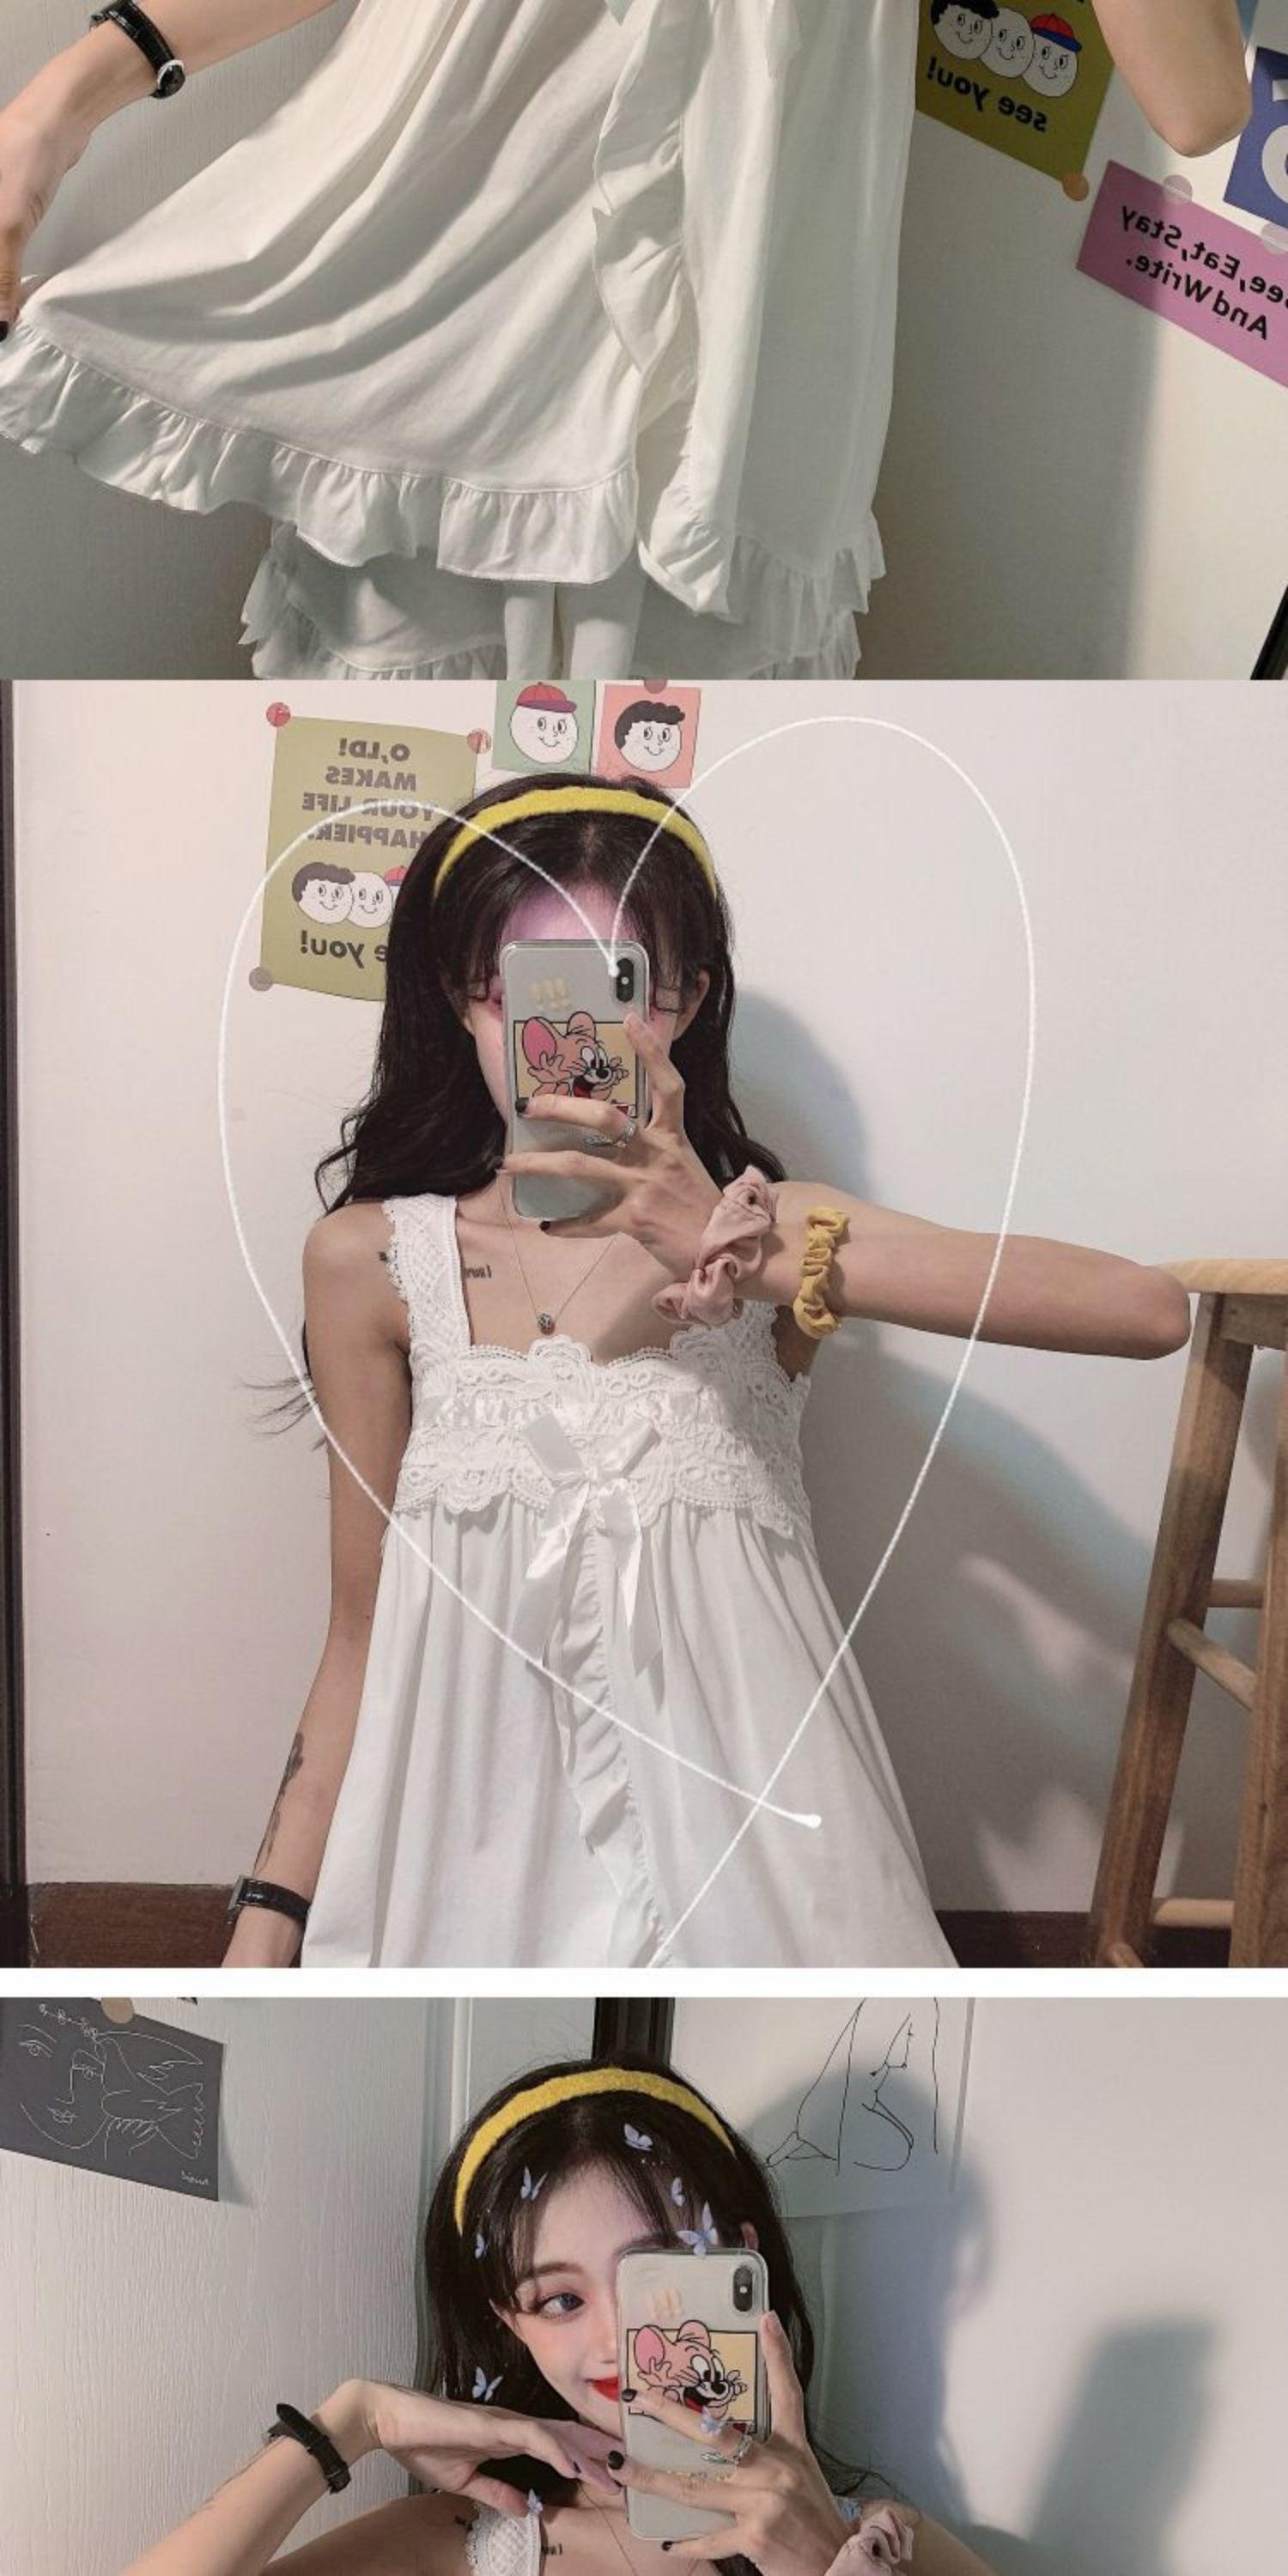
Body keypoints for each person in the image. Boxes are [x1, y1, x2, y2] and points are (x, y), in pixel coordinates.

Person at [221, 772, 1192, 1971]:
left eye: (619, 982)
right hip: (463, 1878)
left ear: (680, 999)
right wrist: (268, 1915)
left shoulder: (775, 1232)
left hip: (763, 1878)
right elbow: (362, 1633)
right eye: (521, 982)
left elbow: (1144, 1311)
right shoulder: (370, 1260)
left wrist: (753, 1250)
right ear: (459, 994)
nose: (567, 1031)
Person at [0, 2, 1252, 683]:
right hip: (437, 338)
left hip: (727, 402)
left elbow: (1195, 99)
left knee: (661, 901)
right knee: (401, 884)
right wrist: (63, 100)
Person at [117, 2054, 1000, 2574]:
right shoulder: (459, 2546)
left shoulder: (887, 2543)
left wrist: (818, 2565)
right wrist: (354, 2422)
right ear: (513, 2325)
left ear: (743, 2261)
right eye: (562, 2300)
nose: (618, 2337)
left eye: (656, 2272)